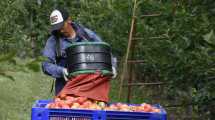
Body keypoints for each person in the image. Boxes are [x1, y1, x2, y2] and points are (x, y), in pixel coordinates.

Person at [41, 8, 117, 95]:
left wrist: (112, 66)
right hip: (65, 90)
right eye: (57, 28)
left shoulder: (88, 35)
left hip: (90, 88)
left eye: (62, 26)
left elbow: (105, 52)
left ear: (69, 20)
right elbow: (45, 65)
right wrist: (61, 71)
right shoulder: (53, 41)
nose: (60, 30)